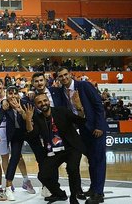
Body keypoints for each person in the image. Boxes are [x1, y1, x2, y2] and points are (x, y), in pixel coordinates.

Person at [56, 67, 108, 204]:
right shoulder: (62, 92)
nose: (64, 78)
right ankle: (93, 188)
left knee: (98, 160)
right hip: (82, 130)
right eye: (60, 76)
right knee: (91, 160)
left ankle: (98, 193)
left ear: (70, 75)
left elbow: (98, 106)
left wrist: (100, 126)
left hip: (96, 129)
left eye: (65, 75)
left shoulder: (84, 86)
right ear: (58, 79)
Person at [24, 93, 86, 204]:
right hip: (53, 151)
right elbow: (33, 134)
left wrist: (79, 108)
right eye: (39, 102)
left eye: (45, 100)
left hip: (71, 147)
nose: (43, 103)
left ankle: (74, 196)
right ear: (36, 105)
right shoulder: (38, 118)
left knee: (72, 169)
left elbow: (80, 121)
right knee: (43, 175)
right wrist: (28, 120)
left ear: (49, 101)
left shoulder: (61, 111)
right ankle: (59, 194)